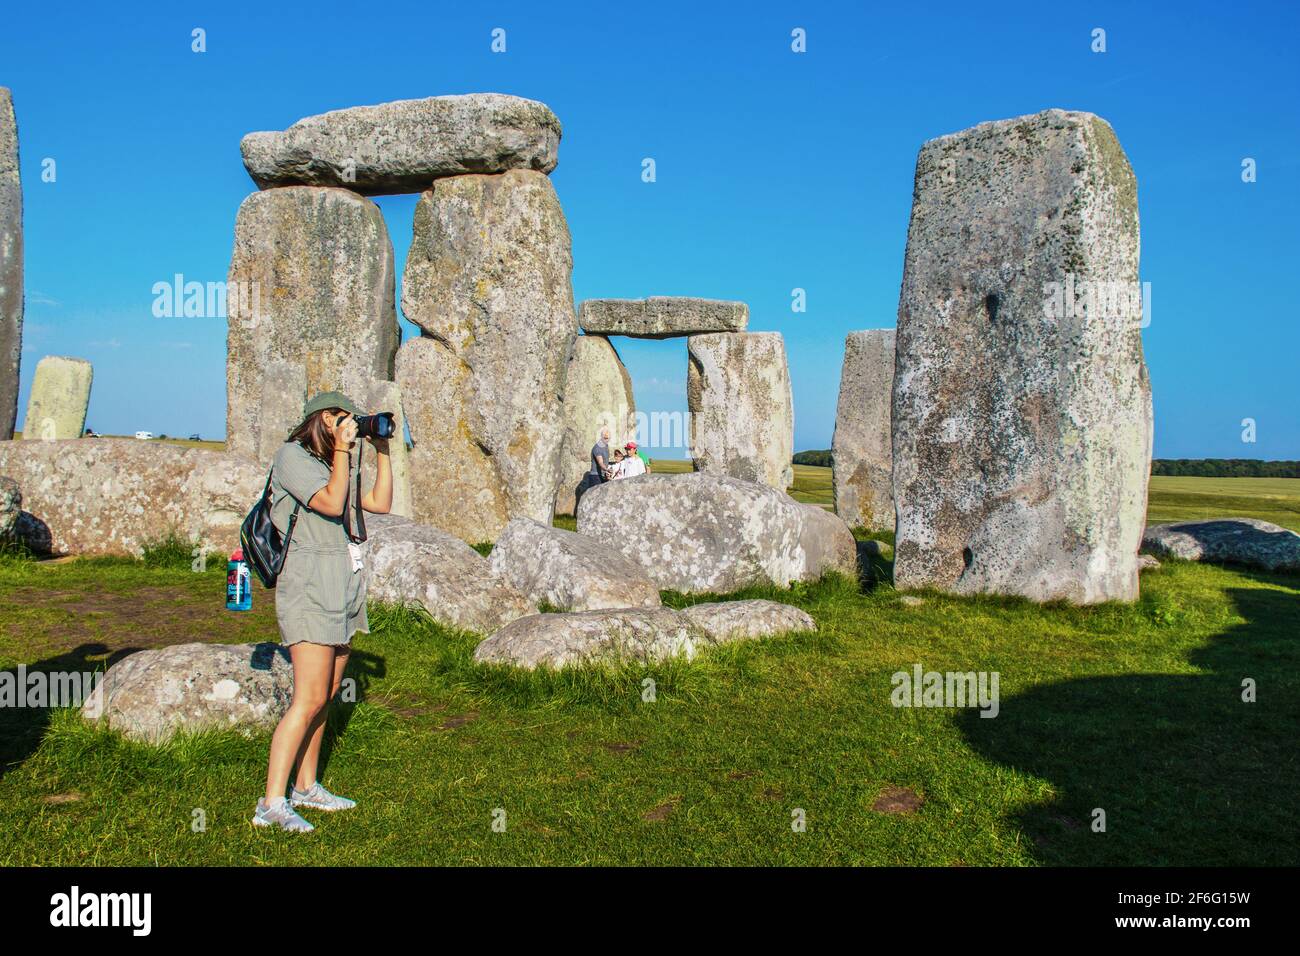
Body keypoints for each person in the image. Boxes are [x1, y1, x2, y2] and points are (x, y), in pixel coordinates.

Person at [253, 391, 393, 833]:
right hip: (310, 587)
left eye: (350, 420)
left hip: (344, 588)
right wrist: (343, 452)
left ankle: (307, 786)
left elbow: (379, 503)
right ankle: (271, 803)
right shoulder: (290, 456)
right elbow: (331, 504)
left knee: (326, 695)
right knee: (308, 697)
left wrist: (382, 450)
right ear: (318, 420)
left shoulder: (336, 463)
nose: (345, 426)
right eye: (338, 418)